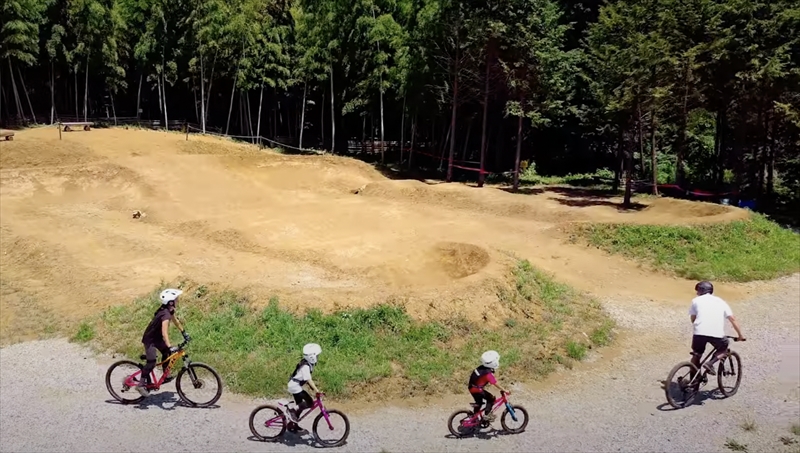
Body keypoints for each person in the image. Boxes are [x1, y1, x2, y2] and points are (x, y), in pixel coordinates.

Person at [136, 288, 191, 397]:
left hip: (157, 338)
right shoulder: (165, 314)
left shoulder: (169, 310)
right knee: (151, 362)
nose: (178, 300)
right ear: (171, 302)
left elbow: (176, 321)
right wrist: (170, 346)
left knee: (166, 353)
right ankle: (141, 384)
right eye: (176, 299)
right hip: (150, 339)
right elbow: (164, 332)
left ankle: (165, 375)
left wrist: (184, 332)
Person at [688, 281, 745, 376]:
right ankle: (710, 364)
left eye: (698, 291)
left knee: (696, 354)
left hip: (699, 333)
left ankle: (692, 383)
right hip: (716, 333)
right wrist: (740, 335)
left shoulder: (696, 301)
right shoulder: (721, 302)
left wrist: (700, 327)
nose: (697, 293)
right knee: (724, 346)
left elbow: (693, 319)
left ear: (701, 291)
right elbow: (732, 319)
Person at [286, 343, 323, 432]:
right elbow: (309, 380)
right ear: (312, 357)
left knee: (300, 407)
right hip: (295, 386)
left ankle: (293, 425)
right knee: (310, 403)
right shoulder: (305, 366)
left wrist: (313, 388)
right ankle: (291, 411)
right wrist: (317, 391)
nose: (318, 357)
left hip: (295, 385)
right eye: (317, 356)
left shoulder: (307, 364)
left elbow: (305, 379)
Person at [467, 350, 511, 422]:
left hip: (472, 388)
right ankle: (486, 415)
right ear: (493, 363)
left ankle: (474, 416)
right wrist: (504, 390)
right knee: (491, 399)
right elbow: (495, 383)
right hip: (477, 389)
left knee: (479, 402)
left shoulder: (482, 368)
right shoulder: (488, 374)